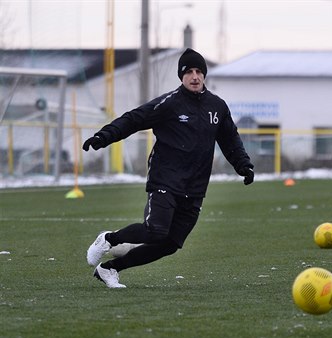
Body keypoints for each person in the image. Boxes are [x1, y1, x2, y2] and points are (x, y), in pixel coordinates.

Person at [82, 48, 254, 288]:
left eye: (199, 72)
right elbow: (134, 119)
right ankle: (108, 239)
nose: (195, 76)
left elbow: (230, 139)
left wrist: (243, 165)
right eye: (189, 72)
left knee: (169, 244)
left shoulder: (218, 107)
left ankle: (109, 269)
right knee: (155, 230)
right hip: (165, 180)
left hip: (194, 187)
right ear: (181, 77)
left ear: (204, 75)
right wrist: (104, 136)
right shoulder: (169, 103)